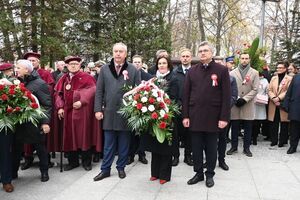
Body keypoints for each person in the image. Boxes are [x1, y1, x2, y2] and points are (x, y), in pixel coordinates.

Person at [182, 41, 231, 188]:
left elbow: (226, 96)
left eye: (205, 51)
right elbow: (186, 95)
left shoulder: (221, 70)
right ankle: (198, 173)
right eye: (200, 50)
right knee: (195, 148)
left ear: (211, 53)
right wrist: (185, 116)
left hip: (213, 117)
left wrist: (224, 118)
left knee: (211, 148)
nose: (202, 53)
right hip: (195, 115)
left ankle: (210, 174)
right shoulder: (192, 71)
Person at [93, 43, 141, 181]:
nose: (118, 54)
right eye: (116, 51)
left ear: (126, 54)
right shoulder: (104, 69)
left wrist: (135, 111)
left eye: (121, 51)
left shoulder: (132, 70)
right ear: (112, 53)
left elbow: (138, 91)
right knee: (108, 144)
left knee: (124, 144)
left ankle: (121, 168)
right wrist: (97, 109)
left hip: (126, 113)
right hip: (108, 112)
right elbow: (99, 91)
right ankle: (105, 169)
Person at [54, 56, 102, 171]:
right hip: (68, 113)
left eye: (76, 63)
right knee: (70, 137)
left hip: (83, 113)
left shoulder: (87, 77)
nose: (73, 65)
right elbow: (58, 94)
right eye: (71, 64)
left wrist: (82, 100)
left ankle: (86, 162)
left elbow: (92, 90)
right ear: (67, 66)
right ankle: (72, 162)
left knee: (84, 136)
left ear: (80, 65)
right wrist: (60, 107)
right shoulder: (64, 78)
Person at [140, 55, 179, 184]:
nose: (161, 65)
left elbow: (175, 97)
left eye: (164, 63)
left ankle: (164, 175)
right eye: (159, 63)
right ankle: (155, 173)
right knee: (155, 146)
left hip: (168, 116)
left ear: (168, 65)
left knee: (165, 148)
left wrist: (164, 106)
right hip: (154, 115)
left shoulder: (173, 78)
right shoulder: (153, 79)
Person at [12, 59, 51, 182]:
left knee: (40, 147)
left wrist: (45, 122)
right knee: (16, 149)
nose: (16, 70)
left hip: (34, 122)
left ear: (26, 70)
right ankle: (13, 172)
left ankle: (44, 172)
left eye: (18, 68)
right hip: (18, 122)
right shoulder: (17, 82)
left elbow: (46, 105)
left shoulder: (40, 84)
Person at [22, 52, 55, 170]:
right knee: (26, 141)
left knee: (40, 141)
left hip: (39, 111)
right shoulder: (21, 77)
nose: (31, 63)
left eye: (33, 61)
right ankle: (28, 158)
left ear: (38, 62)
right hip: (25, 114)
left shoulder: (44, 74)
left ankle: (45, 163)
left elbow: (49, 91)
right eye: (29, 61)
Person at [227, 52, 259, 157]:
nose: (244, 60)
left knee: (248, 127)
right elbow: (229, 88)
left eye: (246, 58)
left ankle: (247, 148)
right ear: (239, 60)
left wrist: (245, 99)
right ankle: (234, 147)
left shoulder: (254, 73)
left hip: (248, 103)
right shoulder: (232, 73)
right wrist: (236, 98)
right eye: (242, 58)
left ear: (249, 60)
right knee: (234, 127)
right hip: (235, 103)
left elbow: (255, 89)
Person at [127, 55, 152, 165]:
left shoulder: (148, 76)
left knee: (142, 133)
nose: (137, 64)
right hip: (131, 108)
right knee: (131, 134)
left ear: (142, 63)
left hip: (144, 108)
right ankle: (130, 155)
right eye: (134, 62)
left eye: (139, 62)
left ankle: (142, 155)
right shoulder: (127, 75)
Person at [172, 48, 193, 166]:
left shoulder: (195, 72)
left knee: (189, 134)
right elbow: (173, 91)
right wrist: (178, 104)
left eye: (187, 56)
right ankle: (175, 156)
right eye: (183, 56)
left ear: (190, 58)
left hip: (191, 108)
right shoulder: (174, 72)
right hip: (177, 108)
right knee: (176, 134)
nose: (185, 58)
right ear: (180, 58)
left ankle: (188, 156)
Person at [268, 61, 292, 147]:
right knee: (274, 122)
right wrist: (274, 98)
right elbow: (269, 90)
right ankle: (273, 140)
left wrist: (279, 98)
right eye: (278, 68)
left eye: (281, 68)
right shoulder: (273, 78)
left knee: (284, 122)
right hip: (273, 103)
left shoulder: (289, 78)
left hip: (283, 103)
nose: (278, 69)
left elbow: (288, 91)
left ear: (285, 69)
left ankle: (282, 141)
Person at [0, 63, 15, 192]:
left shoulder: (11, 82)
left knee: (5, 152)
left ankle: (6, 180)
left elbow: (19, 99)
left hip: (5, 122)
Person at [283, 73, 300, 154]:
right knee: (294, 129)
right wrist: (286, 103)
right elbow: (289, 91)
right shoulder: (296, 77)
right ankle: (293, 146)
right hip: (296, 106)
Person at [252, 72, 269, 145]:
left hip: (260, 103)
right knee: (250, 121)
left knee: (258, 122)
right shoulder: (251, 78)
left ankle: (255, 137)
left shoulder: (265, 81)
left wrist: (265, 97)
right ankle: (250, 137)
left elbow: (267, 91)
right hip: (251, 102)